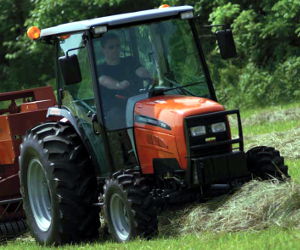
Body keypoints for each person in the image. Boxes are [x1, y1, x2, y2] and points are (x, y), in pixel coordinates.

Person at [97, 32, 151, 130]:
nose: (115, 49)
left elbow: (140, 70)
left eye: (117, 46)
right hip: (115, 108)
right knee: (116, 115)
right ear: (103, 49)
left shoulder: (130, 61)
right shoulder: (100, 69)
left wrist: (145, 74)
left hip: (137, 103)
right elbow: (104, 80)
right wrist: (118, 85)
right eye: (111, 47)